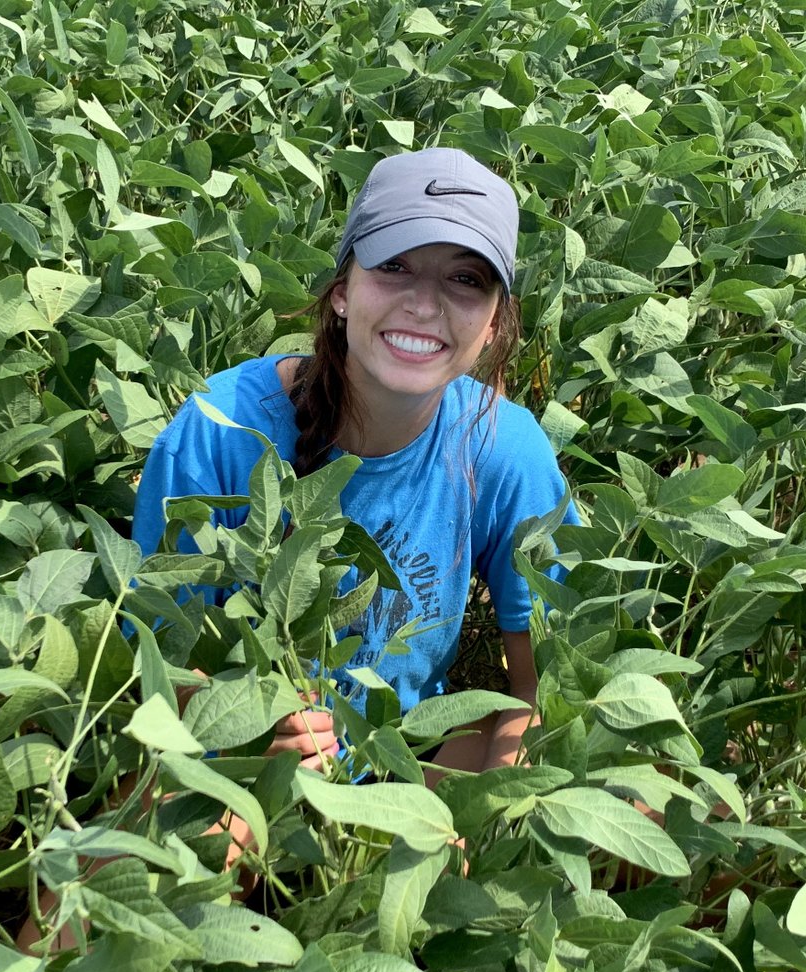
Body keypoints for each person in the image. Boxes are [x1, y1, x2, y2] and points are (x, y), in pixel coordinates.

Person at [132, 146, 577, 777]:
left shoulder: (503, 449)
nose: (424, 305)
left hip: (403, 754)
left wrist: (500, 809)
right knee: (132, 863)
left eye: (465, 279)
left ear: (494, 321)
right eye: (394, 266)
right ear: (342, 291)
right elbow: (156, 662)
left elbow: (543, 687)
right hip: (231, 763)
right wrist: (247, 724)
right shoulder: (219, 430)